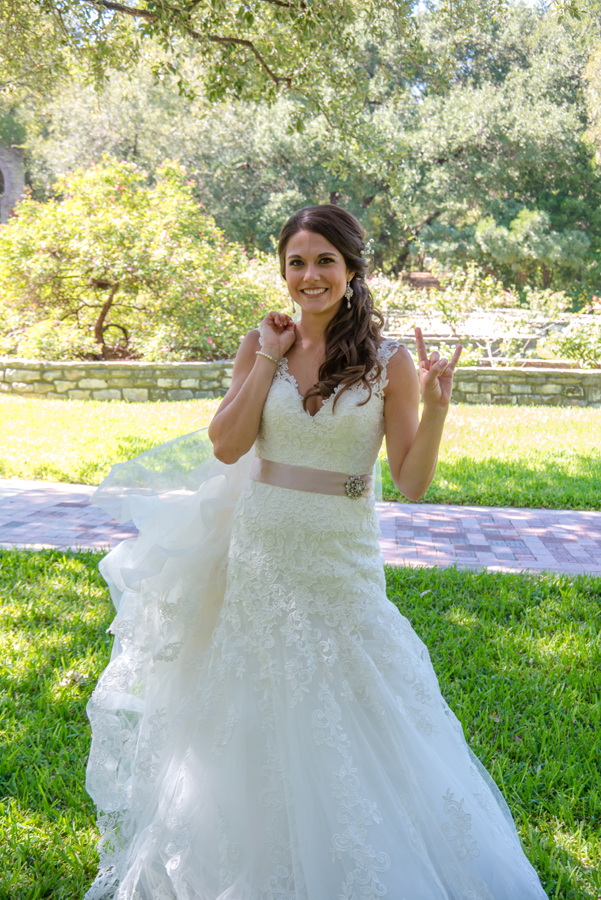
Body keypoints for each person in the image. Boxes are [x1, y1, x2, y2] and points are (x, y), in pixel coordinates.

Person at [84, 205, 548, 899]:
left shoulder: (388, 360)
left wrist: (438, 406)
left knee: (358, 690)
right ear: (282, 270)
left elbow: (412, 483)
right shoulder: (257, 345)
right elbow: (227, 445)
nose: (310, 275)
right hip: (263, 547)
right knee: (256, 695)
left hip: (340, 552)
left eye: (324, 261)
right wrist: (268, 356)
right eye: (296, 262)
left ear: (352, 269)